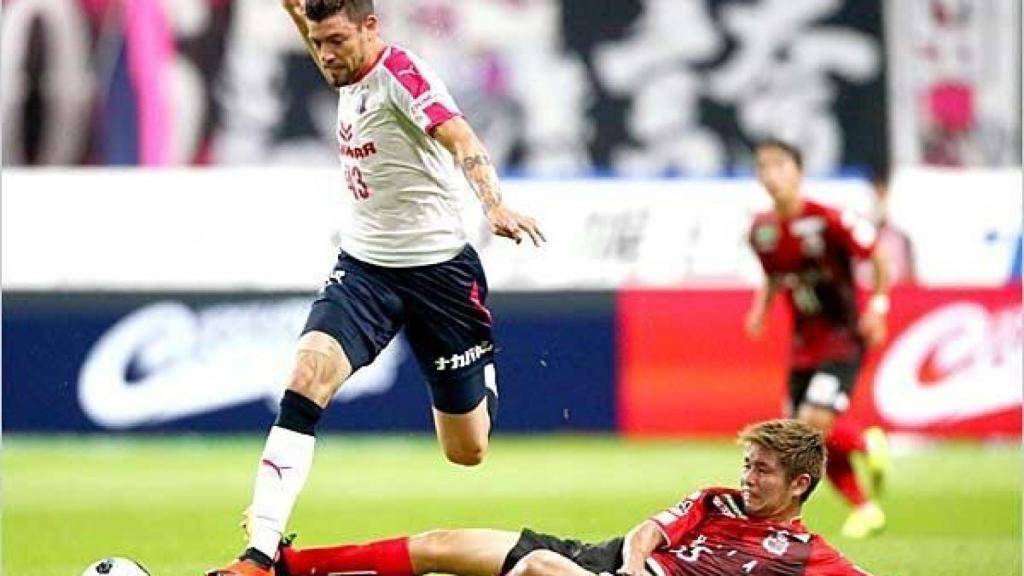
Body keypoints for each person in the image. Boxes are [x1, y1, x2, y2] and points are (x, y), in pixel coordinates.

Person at [208, 1, 544, 574]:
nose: (326, 55)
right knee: (306, 377)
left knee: (467, 450)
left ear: (371, 28)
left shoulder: (402, 76)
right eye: (317, 44)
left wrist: (493, 203)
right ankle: (259, 552)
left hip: (440, 275)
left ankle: (480, 373)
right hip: (364, 269)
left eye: (336, 40)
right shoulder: (345, 64)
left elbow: (461, 136)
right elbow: (319, 36)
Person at [260, 419, 874, 576]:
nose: (748, 478)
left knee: (538, 569)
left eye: (762, 472)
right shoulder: (718, 501)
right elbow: (651, 532)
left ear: (800, 484)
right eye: (747, 465)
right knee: (443, 546)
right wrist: (632, 564)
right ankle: (281, 566)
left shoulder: (806, 554)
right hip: (607, 560)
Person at [744, 139, 891, 539]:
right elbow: (774, 275)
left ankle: (863, 441)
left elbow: (878, 256)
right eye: (763, 166)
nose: (771, 174)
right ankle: (864, 508)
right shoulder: (762, 230)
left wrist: (878, 307)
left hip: (842, 339)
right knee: (801, 440)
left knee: (810, 426)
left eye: (779, 165)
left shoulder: (830, 219)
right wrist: (761, 307)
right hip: (802, 345)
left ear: (798, 171)